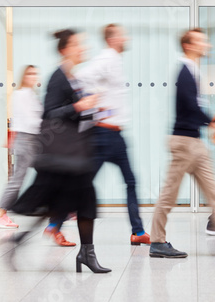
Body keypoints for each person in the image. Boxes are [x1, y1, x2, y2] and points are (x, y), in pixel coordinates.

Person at [11, 29, 110, 273]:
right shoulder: (58, 78)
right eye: (78, 44)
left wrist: (90, 110)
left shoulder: (70, 76)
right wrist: (80, 105)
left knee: (67, 205)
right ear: (65, 49)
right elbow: (51, 114)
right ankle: (85, 254)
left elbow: (68, 114)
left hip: (73, 157)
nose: (83, 48)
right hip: (64, 159)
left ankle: (85, 253)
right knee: (72, 204)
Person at [149, 28, 215, 258]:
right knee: (169, 194)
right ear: (189, 46)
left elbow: (195, 109)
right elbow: (191, 108)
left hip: (194, 141)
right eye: (201, 41)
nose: (207, 44)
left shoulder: (194, 70)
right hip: (184, 142)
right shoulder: (185, 71)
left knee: (214, 192)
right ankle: (157, 241)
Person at [76, 24, 150, 246]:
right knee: (86, 182)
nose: (125, 37)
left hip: (115, 136)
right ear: (112, 39)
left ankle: (137, 231)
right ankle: (55, 223)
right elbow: (81, 77)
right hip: (103, 134)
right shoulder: (106, 59)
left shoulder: (115, 60)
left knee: (130, 181)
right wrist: (96, 104)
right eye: (121, 34)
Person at [0, 65, 42, 229]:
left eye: (35, 73)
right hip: (26, 140)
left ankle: (62, 210)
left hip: (33, 141)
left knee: (51, 172)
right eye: (30, 73)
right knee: (17, 180)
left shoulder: (32, 95)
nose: (33, 76)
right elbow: (29, 120)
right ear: (24, 76)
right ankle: (0, 215)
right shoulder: (20, 95)